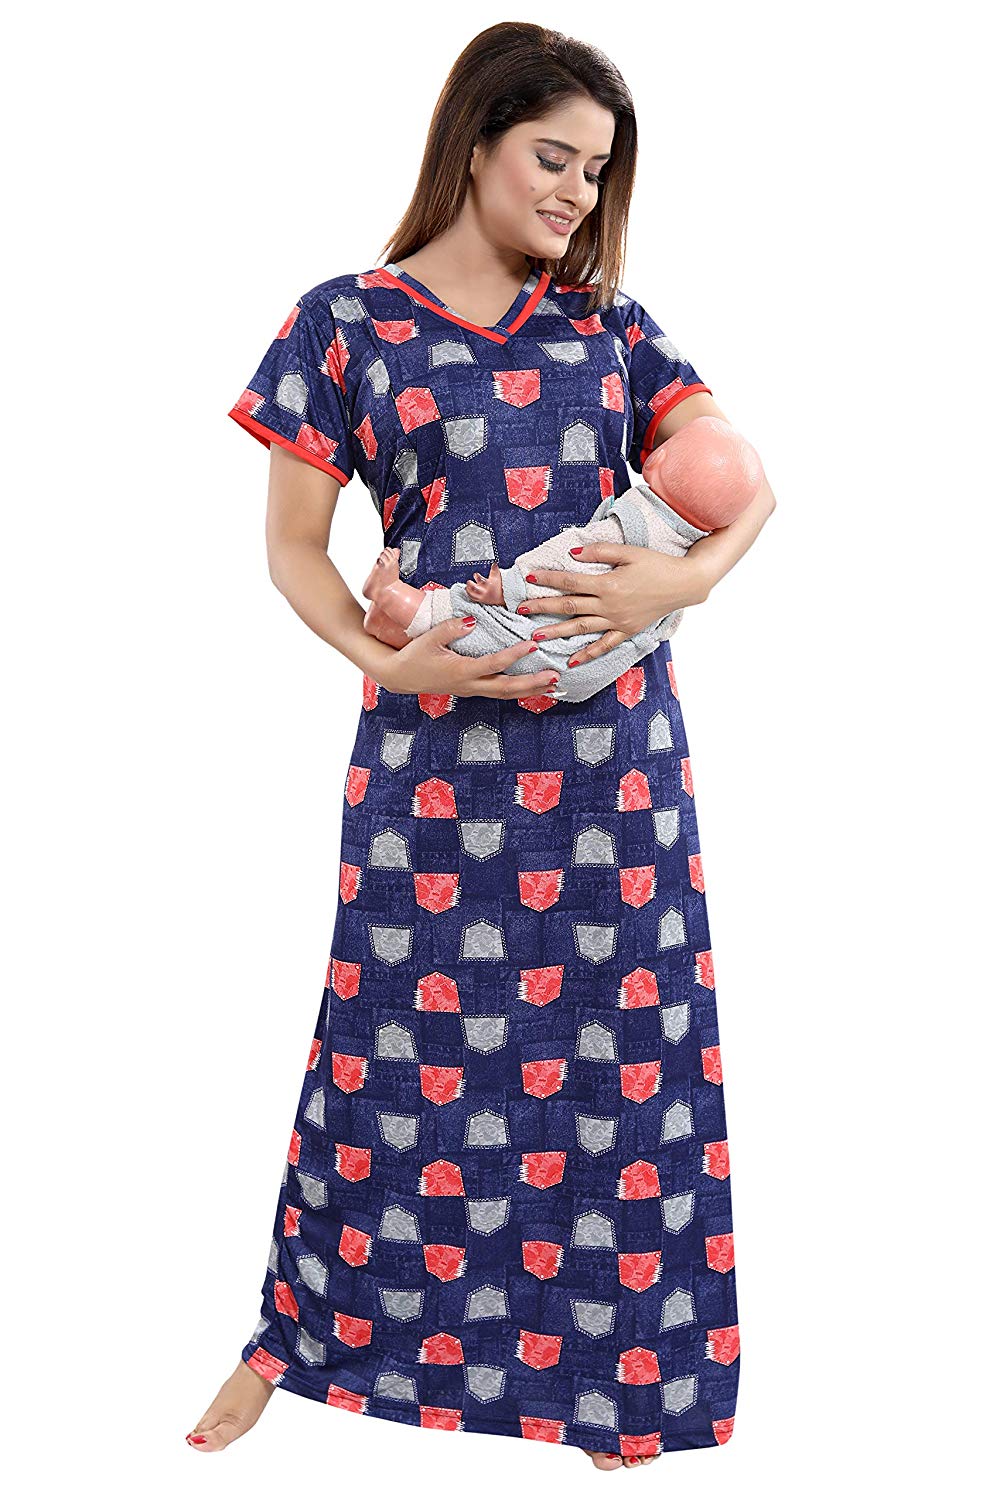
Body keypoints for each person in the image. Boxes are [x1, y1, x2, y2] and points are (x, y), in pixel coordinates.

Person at [191, 21, 775, 1471]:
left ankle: (620, 1382)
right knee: (387, 1050)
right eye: (552, 157)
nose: (577, 192)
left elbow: (747, 483)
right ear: (474, 143)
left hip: (614, 768)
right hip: (432, 765)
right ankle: (296, 1341)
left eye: (598, 170)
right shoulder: (344, 323)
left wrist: (687, 582)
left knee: (622, 1059)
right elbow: (294, 548)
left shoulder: (612, 329)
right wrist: (382, 656)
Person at [360, 415, 763, 702]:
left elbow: (570, 559)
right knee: (475, 643)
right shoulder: (685, 545)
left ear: (654, 460)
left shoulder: (635, 521)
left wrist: (510, 587)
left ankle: (393, 597)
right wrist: (692, 580)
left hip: (557, 648)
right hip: (588, 675)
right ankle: (388, 626)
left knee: (463, 621)